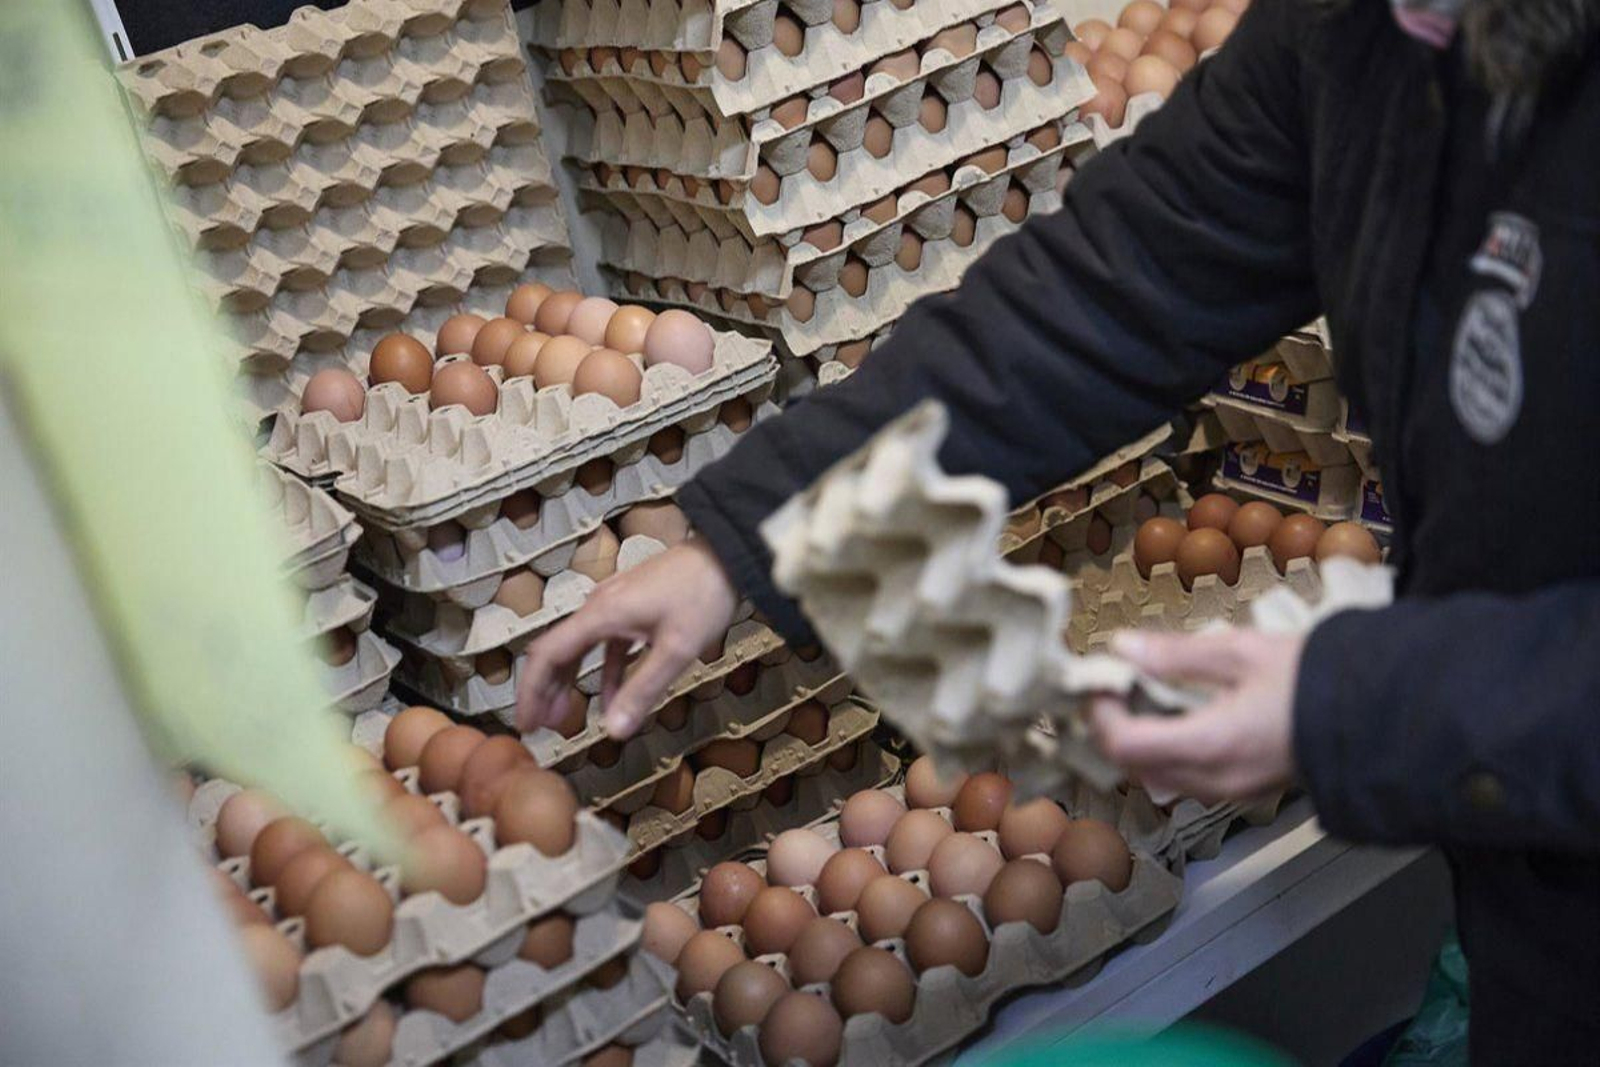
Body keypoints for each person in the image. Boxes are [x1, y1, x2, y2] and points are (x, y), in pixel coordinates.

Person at [517, 0, 1600, 1059]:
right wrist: (743, 534)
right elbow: (1113, 284)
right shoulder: (1358, 33)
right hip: (1535, 884)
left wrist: (1355, 700)